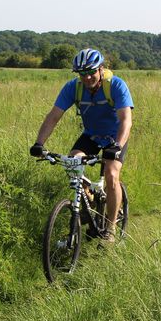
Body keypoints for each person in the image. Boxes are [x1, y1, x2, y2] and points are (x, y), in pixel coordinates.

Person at [30, 48, 134, 242]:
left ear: (101, 69)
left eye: (90, 72)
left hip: (115, 137)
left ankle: (110, 229)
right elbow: (53, 117)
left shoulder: (116, 86)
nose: (86, 78)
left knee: (112, 175)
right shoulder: (73, 88)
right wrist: (39, 143)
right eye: (81, 74)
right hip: (91, 135)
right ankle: (88, 200)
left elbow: (126, 120)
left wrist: (117, 146)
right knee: (72, 162)